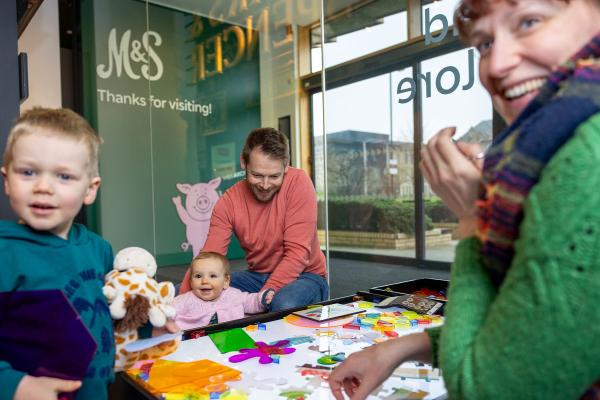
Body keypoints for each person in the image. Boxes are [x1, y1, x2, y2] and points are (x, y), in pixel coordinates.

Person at [330, 1, 600, 399]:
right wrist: (400, 347)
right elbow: (541, 333)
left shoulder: (583, 160)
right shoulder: (558, 145)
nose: (496, 65)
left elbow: (487, 390)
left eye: (529, 21)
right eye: (485, 43)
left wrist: (474, 218)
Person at [0, 108, 115, 400]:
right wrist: (15, 385)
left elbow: (103, 319)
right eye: (28, 172)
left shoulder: (99, 249)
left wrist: (146, 329)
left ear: (90, 190)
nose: (43, 187)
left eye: (64, 176)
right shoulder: (5, 253)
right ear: (6, 180)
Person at [179, 128, 328, 311]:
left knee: (282, 304)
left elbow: (298, 254)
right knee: (190, 293)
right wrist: (181, 303)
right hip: (256, 277)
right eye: (257, 175)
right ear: (244, 162)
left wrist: (259, 300)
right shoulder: (228, 202)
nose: (265, 185)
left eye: (274, 176)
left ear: (286, 165)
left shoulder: (299, 183)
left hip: (306, 275)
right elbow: (211, 257)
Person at [172, 252, 274, 329]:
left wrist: (262, 298)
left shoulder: (233, 294)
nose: (204, 281)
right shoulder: (186, 299)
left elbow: (249, 301)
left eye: (212, 276)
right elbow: (168, 310)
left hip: (230, 336)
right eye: (198, 276)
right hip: (194, 342)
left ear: (225, 281)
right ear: (191, 281)